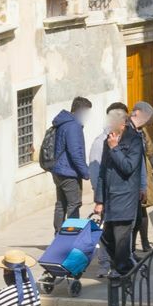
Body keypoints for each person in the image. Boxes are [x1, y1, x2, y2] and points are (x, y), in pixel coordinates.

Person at [94, 102, 145, 276]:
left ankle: (123, 274)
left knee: (121, 240)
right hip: (109, 198)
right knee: (106, 237)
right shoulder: (109, 140)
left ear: (123, 123)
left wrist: (115, 149)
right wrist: (99, 200)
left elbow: (128, 167)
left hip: (125, 197)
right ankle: (127, 269)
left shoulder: (135, 141)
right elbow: (102, 171)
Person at [48, 97, 94, 234]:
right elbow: (75, 153)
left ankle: (59, 235)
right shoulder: (73, 126)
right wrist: (85, 172)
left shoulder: (63, 122)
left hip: (58, 170)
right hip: (68, 172)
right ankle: (71, 236)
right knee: (74, 205)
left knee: (61, 204)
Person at [132, 101, 153, 248]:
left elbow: (149, 150)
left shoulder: (140, 130)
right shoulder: (139, 131)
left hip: (141, 175)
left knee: (140, 211)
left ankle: (139, 244)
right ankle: (144, 243)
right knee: (140, 212)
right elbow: (150, 150)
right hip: (140, 174)